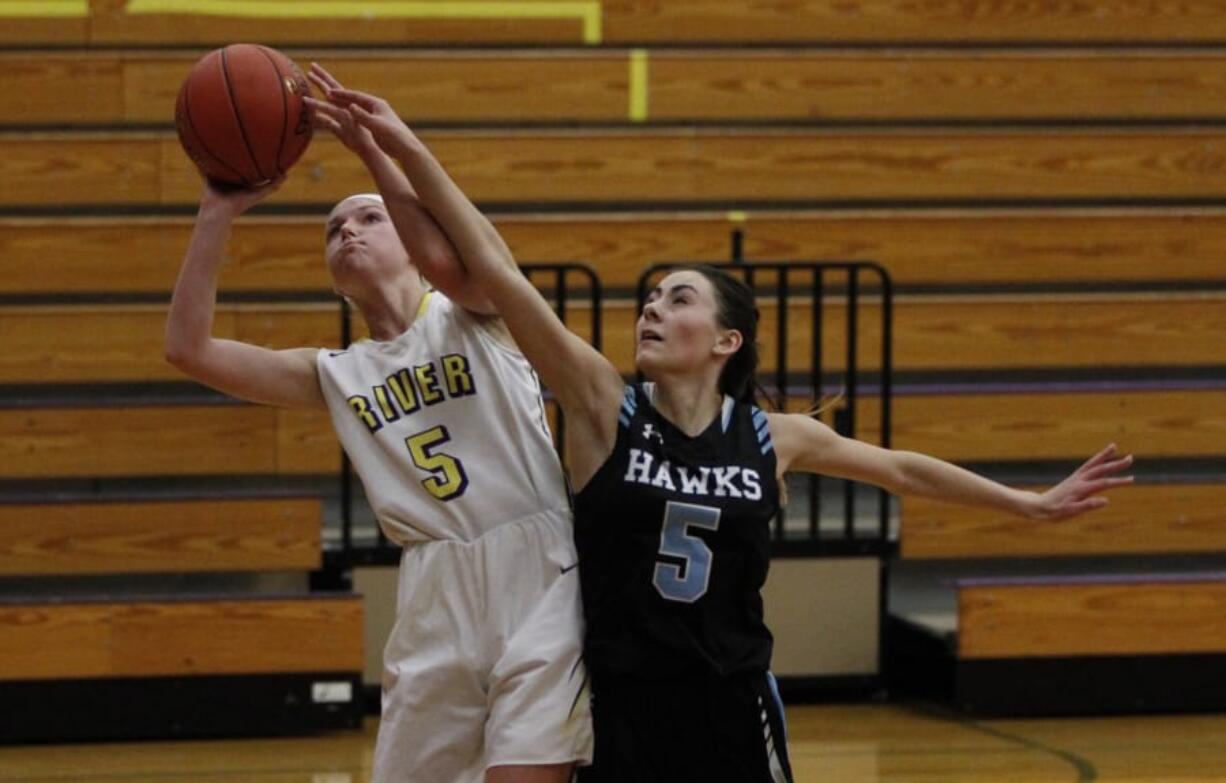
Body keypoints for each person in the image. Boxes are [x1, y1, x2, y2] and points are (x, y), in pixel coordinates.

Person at [317, 80, 1135, 783]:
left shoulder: (773, 436)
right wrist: (400, 148)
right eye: (651, 296)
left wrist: (1026, 504)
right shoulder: (604, 406)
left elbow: (903, 469)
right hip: (620, 705)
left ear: (725, 340)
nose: (651, 308)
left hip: (732, 700)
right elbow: (490, 266)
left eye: (677, 299)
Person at [165, 66, 590, 783]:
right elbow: (189, 349)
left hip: (538, 564)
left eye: (367, 218)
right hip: (434, 584)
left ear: (415, 245)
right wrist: (216, 212)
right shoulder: (336, 372)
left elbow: (458, 258)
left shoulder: (481, 315)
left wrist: (376, 154)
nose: (347, 230)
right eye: (334, 228)